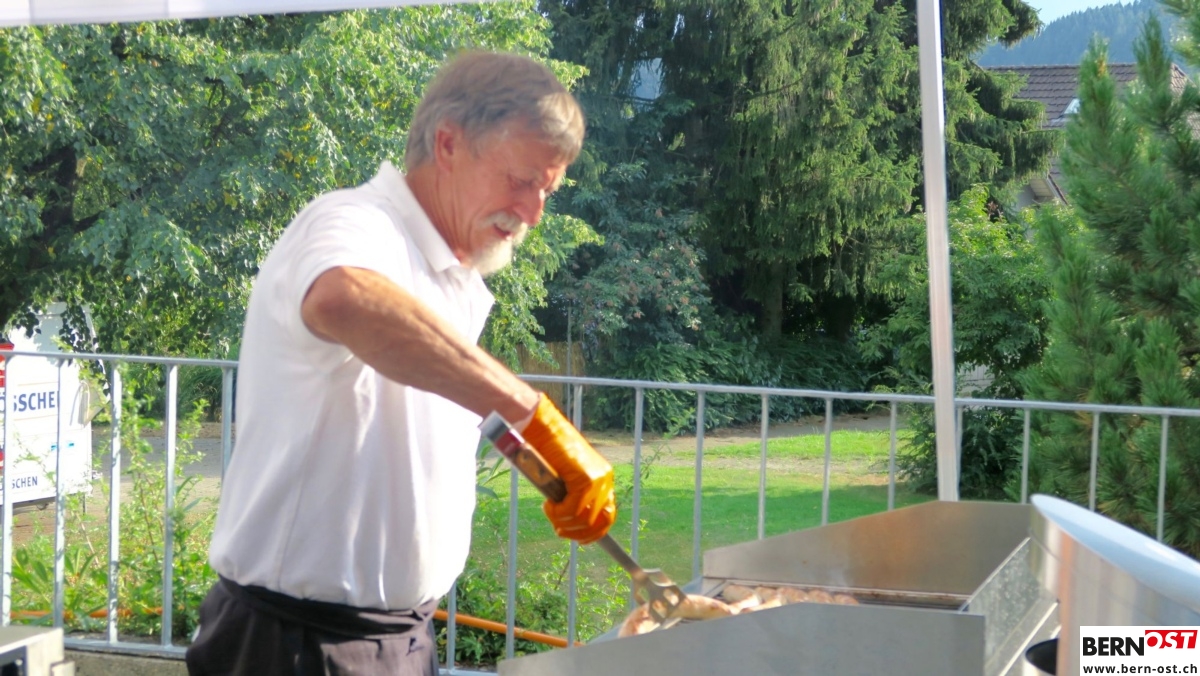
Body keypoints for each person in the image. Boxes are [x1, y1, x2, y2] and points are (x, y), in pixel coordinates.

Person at [185, 51, 616, 676]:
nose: (532, 213)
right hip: (297, 644)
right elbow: (343, 297)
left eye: (545, 191)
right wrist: (534, 414)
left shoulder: (450, 278)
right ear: (448, 144)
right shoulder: (353, 220)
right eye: (520, 180)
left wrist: (542, 462)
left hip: (400, 638)